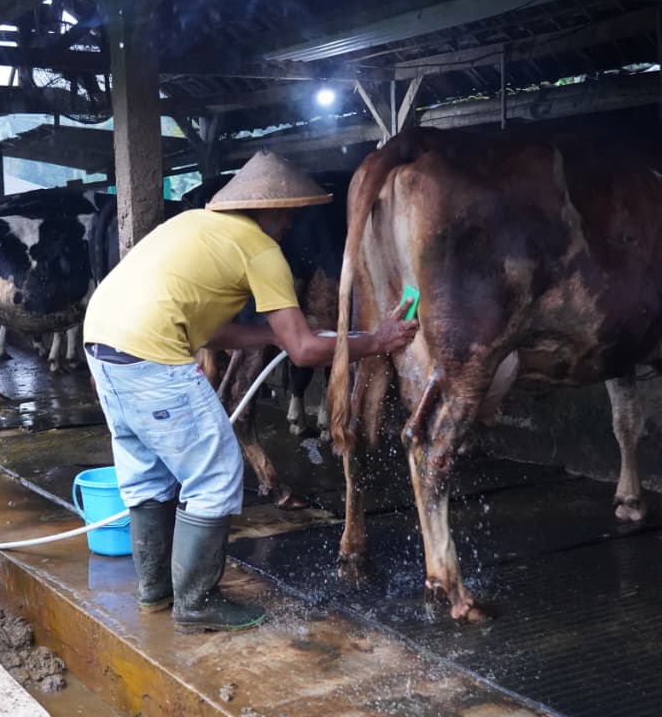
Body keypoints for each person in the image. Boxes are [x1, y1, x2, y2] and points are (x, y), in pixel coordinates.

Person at [81, 150, 420, 634]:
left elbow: (209, 327)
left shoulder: (195, 225)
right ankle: (196, 602)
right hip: (151, 355)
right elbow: (304, 351)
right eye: (292, 216)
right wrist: (378, 342)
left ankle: (156, 591)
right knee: (216, 472)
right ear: (278, 213)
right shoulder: (262, 251)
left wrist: (267, 335)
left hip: (103, 343)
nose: (291, 226)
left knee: (148, 476)